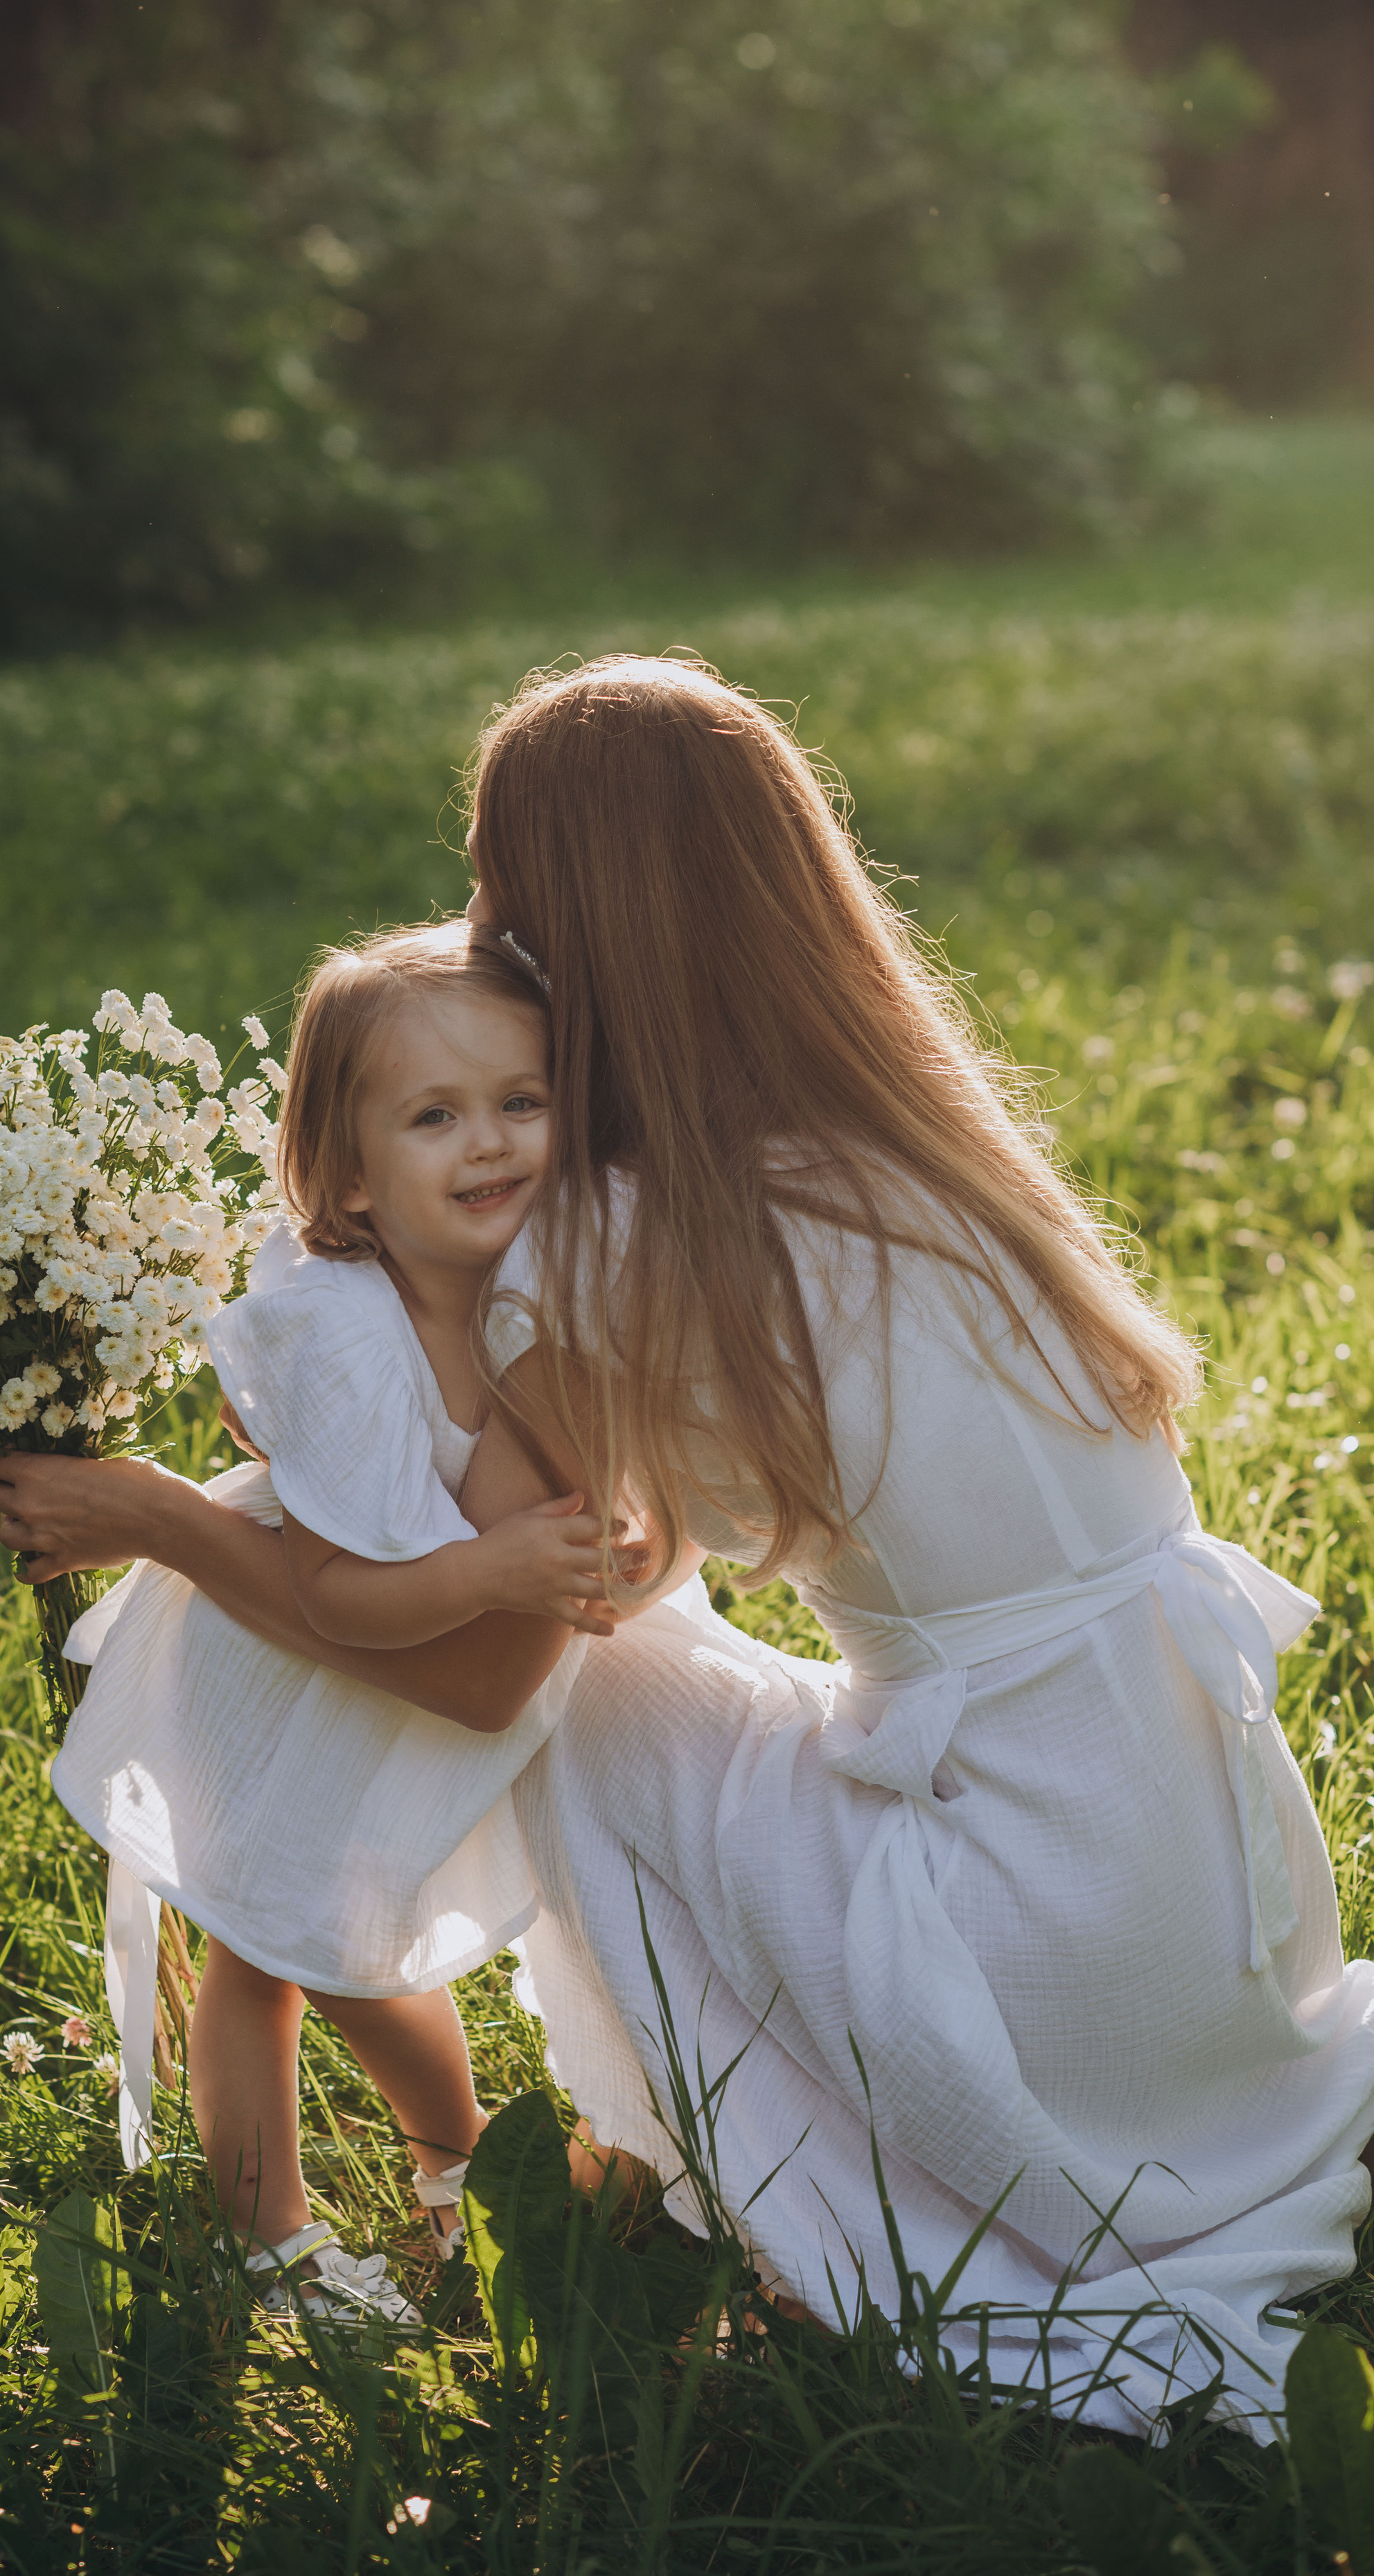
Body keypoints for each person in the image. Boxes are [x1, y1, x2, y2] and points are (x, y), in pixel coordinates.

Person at [446, 653, 1374, 2435]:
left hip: (1030, 1970)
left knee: (592, 1689)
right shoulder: (932, 1147)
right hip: (1209, 1911)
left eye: (498, 888)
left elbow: (608, 1572)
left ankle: (704, 2170)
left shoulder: (613, 1235)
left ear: (549, 928)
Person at [44, 921, 618, 2329]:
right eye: (435, 1117)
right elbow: (341, 1596)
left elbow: (550, 1493)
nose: (488, 1145)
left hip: (403, 1683)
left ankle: (457, 2174)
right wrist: (492, 1574)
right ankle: (273, 2243)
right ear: (348, 1172)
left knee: (357, 1944)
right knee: (264, 1952)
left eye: (519, 1103)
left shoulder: (526, 1291)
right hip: (292, 1661)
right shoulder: (346, 1331)